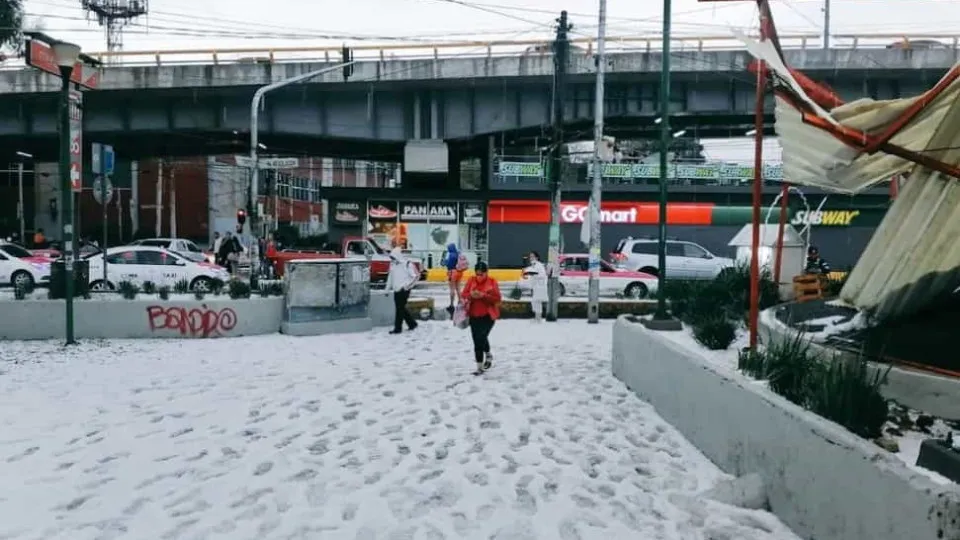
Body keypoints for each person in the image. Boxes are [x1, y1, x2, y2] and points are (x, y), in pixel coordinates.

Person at [460, 261, 502, 375]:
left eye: (481, 274)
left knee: (481, 338)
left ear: (486, 272)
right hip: (474, 315)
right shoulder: (471, 280)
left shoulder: (492, 282)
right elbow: (464, 295)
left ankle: (482, 365)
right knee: (477, 339)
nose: (479, 277)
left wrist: (484, 296)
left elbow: (497, 298)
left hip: (488, 316)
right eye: (477, 274)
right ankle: (483, 361)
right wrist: (471, 296)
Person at [385, 246, 420, 334]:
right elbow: (390, 277)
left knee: (399, 309)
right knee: (400, 308)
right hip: (396, 290)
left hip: (404, 290)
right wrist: (387, 289)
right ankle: (412, 324)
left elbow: (415, 277)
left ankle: (398, 328)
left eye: (393, 257)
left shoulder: (407, 264)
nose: (392, 259)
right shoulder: (392, 265)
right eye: (391, 257)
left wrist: (407, 287)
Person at [522, 251, 548, 322]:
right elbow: (527, 273)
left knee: (537, 302)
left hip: (540, 287)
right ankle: (537, 318)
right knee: (535, 302)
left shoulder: (539, 265)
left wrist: (533, 274)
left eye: (533, 256)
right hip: (535, 286)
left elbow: (542, 275)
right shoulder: (533, 265)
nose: (531, 258)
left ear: (537, 257)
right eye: (530, 256)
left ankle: (538, 318)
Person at [442, 243, 467, 313]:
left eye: (448, 248)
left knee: (452, 289)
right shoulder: (458, 253)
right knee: (458, 288)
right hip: (459, 273)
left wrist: (445, 262)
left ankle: (451, 304)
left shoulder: (451, 255)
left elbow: (448, 264)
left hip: (452, 273)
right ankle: (460, 303)